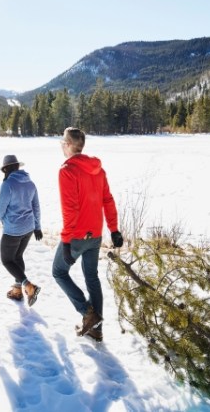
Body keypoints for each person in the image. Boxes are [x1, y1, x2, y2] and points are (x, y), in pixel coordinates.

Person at [52, 127, 123, 342]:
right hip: (95, 236)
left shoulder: (67, 171)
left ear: (69, 145)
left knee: (58, 272)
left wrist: (66, 241)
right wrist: (114, 229)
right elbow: (107, 200)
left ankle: (88, 314)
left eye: (62, 141)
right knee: (92, 277)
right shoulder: (98, 170)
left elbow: (70, 209)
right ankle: (96, 329)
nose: (61, 145)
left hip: (76, 236)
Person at [0, 154, 43, 307]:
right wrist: (37, 227)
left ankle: (28, 286)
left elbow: (0, 209)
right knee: (17, 257)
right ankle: (17, 291)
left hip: (13, 230)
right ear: (18, 167)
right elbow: (36, 207)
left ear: (6, 169)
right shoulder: (30, 183)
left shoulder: (8, 185)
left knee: (7, 260)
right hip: (29, 228)